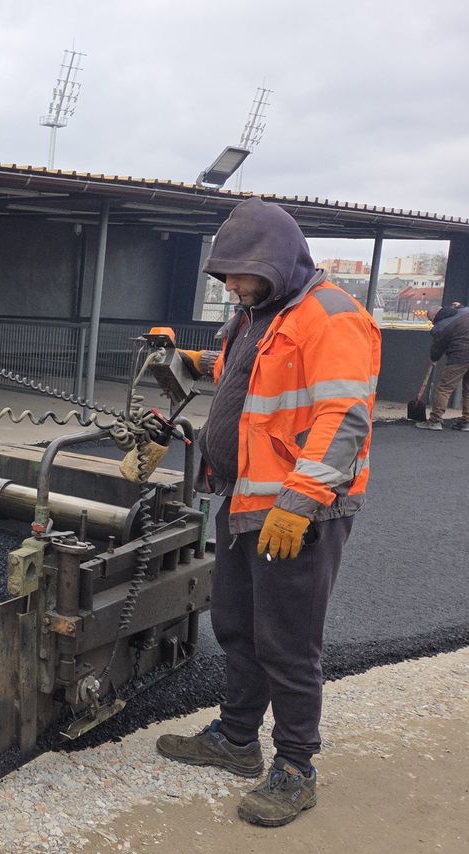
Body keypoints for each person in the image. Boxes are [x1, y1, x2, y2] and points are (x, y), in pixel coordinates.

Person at [153, 199, 382, 827]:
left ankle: (296, 769)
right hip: (246, 499)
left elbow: (344, 416)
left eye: (238, 273)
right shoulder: (259, 315)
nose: (229, 284)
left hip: (298, 512)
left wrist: (300, 502)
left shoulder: (331, 316)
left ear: (276, 260)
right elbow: (248, 377)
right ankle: (236, 739)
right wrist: (189, 360)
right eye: (223, 274)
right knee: (238, 626)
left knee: (288, 642)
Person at [415, 304, 469, 431]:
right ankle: (467, 421)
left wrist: (433, 358)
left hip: (459, 358)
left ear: (435, 316)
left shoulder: (440, 327)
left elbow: (437, 348)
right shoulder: (465, 311)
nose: (432, 323)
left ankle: (435, 420)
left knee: (444, 388)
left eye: (431, 320)